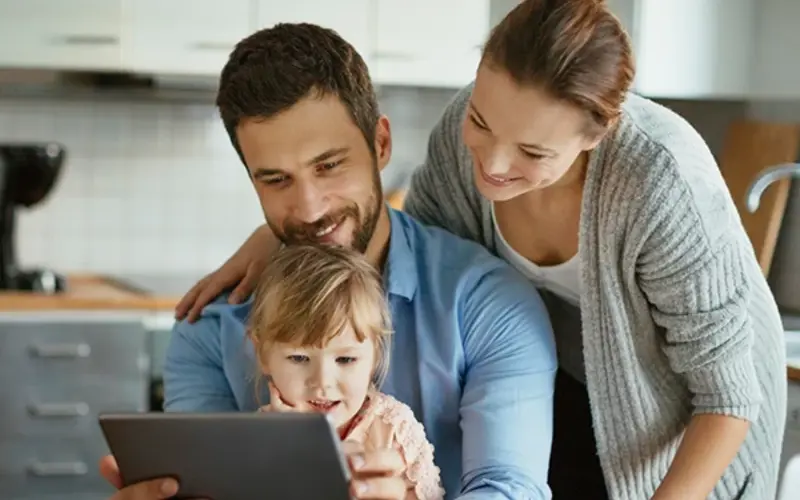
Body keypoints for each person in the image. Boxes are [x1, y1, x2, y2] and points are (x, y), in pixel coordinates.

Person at [174, 0, 789, 499]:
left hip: (691, 429)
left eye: (533, 152)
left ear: (598, 135)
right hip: (570, 388)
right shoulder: (458, 140)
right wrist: (288, 241)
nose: (491, 166)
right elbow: (409, 244)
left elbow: (727, 396)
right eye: (482, 123)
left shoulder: (659, 181)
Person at [100, 20, 558, 500]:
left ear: (380, 144)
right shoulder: (211, 327)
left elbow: (511, 490)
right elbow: (201, 488)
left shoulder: (488, 304)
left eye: (329, 165)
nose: (310, 209)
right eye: (276, 179)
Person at [251, 244, 445, 499]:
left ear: (375, 357)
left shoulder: (394, 430)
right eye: (299, 358)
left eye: (345, 359)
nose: (322, 382)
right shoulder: (256, 436)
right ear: (263, 355)